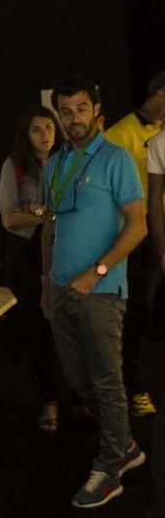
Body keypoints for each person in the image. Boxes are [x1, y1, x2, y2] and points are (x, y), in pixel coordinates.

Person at [40, 77, 147, 509]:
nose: (73, 118)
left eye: (81, 108)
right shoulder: (55, 164)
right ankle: (125, 446)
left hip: (101, 290)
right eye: (65, 111)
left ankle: (110, 468)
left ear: (97, 110)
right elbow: (51, 226)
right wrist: (47, 284)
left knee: (106, 381)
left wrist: (97, 270)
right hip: (63, 290)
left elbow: (137, 225)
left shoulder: (115, 159)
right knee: (78, 381)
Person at [104, 70, 165, 418]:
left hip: (158, 236)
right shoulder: (121, 134)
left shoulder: (160, 133)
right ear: (160, 95)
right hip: (134, 240)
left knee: (148, 315)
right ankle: (129, 387)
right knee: (134, 316)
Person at [0, 105, 62, 433]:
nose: (44, 135)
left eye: (49, 127)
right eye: (36, 129)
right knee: (38, 329)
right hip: (25, 255)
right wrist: (49, 213)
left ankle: (77, 399)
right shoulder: (15, 165)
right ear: (26, 134)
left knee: (68, 328)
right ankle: (49, 400)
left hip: (64, 251)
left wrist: (35, 209)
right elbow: (9, 217)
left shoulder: (68, 160)